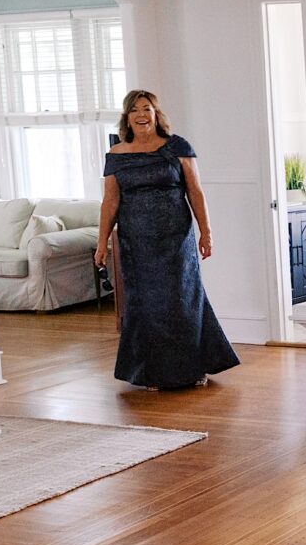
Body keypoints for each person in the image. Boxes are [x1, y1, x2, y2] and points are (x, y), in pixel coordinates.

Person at [95, 90, 240, 391]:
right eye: (134, 110)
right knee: (145, 307)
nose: (141, 115)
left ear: (156, 113)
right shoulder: (116, 156)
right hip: (136, 243)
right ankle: (152, 373)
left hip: (176, 240)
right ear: (127, 117)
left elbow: (195, 191)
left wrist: (207, 232)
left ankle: (192, 368)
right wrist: (102, 243)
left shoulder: (177, 147)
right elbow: (110, 202)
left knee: (181, 302)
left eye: (146, 109)